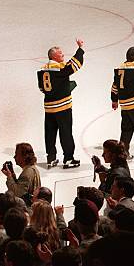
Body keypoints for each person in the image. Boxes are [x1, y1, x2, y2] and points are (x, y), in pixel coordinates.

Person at [38, 38, 84, 169]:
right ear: (53, 56)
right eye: (60, 53)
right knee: (66, 132)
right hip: (62, 107)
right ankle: (68, 159)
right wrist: (80, 49)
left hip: (49, 108)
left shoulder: (42, 70)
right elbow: (76, 65)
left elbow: (42, 88)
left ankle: (51, 158)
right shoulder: (60, 68)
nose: (63, 54)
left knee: (50, 133)